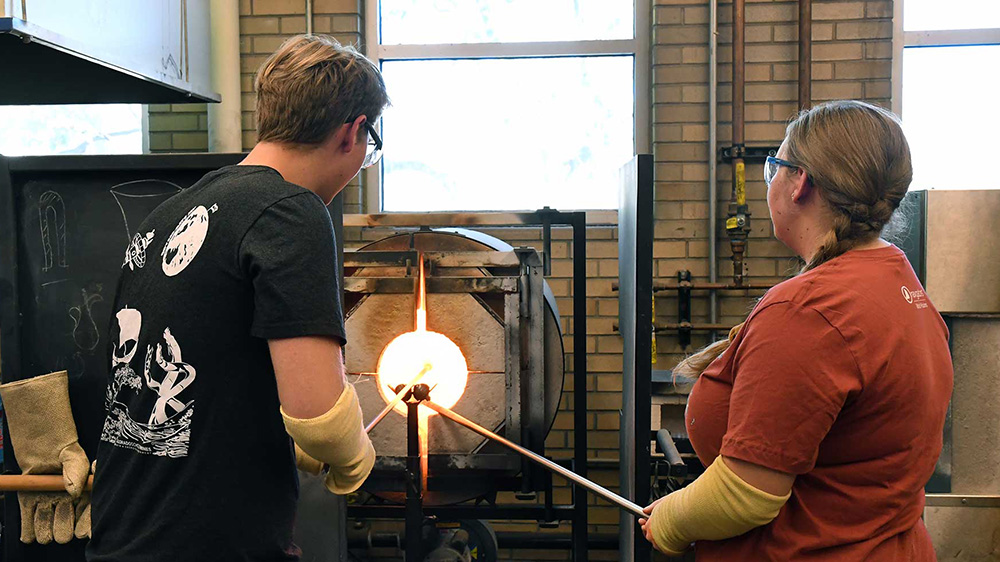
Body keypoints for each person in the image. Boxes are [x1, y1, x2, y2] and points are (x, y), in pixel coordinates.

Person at [88, 35, 390, 561]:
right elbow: (319, 415)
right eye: (370, 146)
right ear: (354, 131)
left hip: (123, 532)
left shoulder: (168, 216)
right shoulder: (290, 212)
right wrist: (352, 456)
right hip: (210, 541)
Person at [639, 100, 953, 560]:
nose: (772, 182)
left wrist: (670, 520)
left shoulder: (810, 309)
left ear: (799, 182)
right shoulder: (896, 279)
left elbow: (745, 494)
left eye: (774, 167)